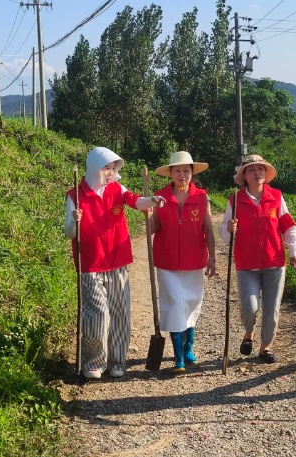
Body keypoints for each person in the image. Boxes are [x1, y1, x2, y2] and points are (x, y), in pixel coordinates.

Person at [65, 146, 166, 379]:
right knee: (97, 314)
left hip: (117, 260)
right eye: (105, 168)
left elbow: (134, 201)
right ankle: (93, 361)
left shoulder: (116, 189)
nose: (110, 173)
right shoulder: (75, 196)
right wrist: (74, 221)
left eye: (112, 168)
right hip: (91, 263)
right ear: (93, 168)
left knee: (120, 312)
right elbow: (69, 232)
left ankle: (117, 360)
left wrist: (151, 200)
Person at [219, 155, 296, 364]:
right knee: (250, 306)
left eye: (261, 169)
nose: (257, 173)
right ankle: (249, 333)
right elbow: (224, 232)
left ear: (266, 174)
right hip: (247, 264)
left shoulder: (276, 197)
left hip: (275, 262)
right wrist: (229, 228)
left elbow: (288, 225)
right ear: (244, 176)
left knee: (272, 308)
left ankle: (266, 347)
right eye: (252, 170)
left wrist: (294, 251)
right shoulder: (235, 200)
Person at [149, 151, 217, 374]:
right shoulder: (159, 197)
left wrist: (212, 257)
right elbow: (153, 228)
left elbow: (207, 228)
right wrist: (148, 214)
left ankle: (188, 349)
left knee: (190, 303)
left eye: (186, 170)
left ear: (192, 173)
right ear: (170, 173)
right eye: (177, 170)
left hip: (194, 261)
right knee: (175, 304)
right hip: (167, 263)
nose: (182, 174)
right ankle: (178, 358)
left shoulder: (202, 197)